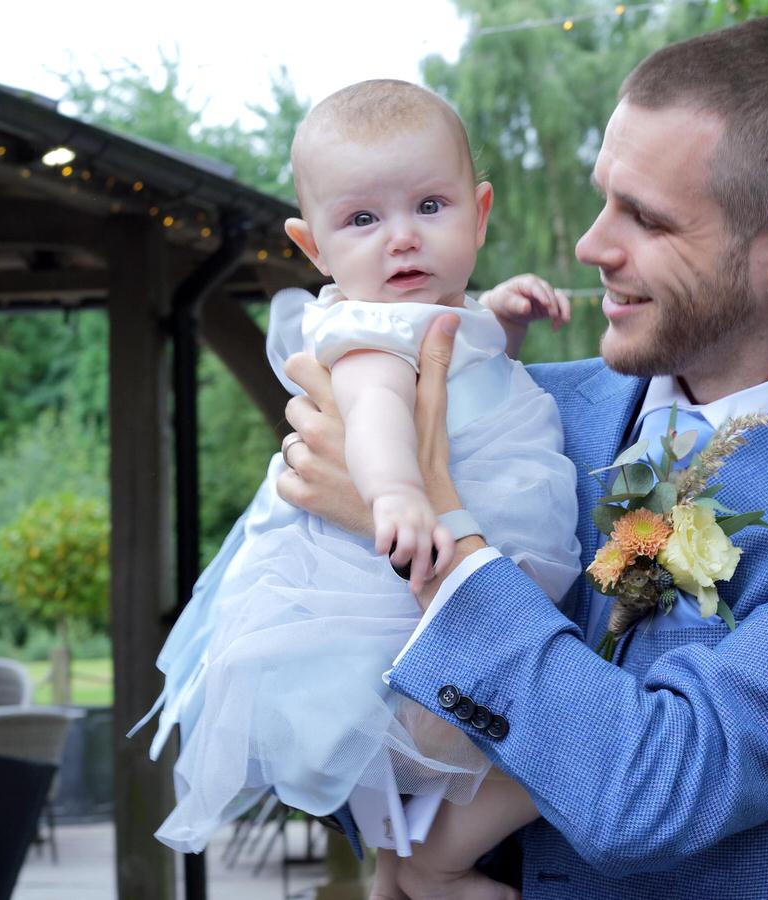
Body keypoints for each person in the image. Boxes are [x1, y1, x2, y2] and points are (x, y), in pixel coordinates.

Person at [278, 16, 768, 900]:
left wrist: (431, 535)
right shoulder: (520, 404)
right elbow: (340, 683)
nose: (592, 246)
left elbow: (653, 788)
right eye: (603, 197)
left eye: (647, 219)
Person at [137, 80, 583, 900]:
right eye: (363, 220)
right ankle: (435, 868)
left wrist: (504, 322)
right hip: (392, 604)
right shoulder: (368, 333)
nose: (402, 239)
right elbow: (378, 411)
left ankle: (397, 872)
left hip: (444, 588)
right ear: (314, 248)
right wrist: (396, 497)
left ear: (479, 215)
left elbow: (468, 371)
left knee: (456, 751)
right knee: (544, 739)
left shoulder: (433, 312)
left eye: (430, 206)